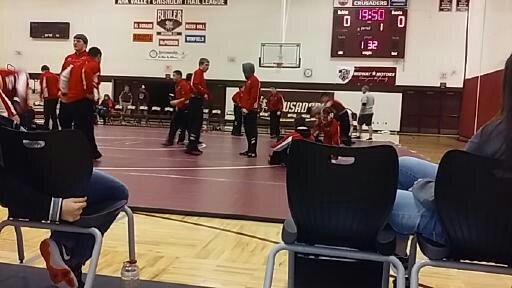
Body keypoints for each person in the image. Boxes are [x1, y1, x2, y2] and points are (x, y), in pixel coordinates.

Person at [390, 53, 512, 254]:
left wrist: (422, 189)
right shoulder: (497, 135)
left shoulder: (495, 134)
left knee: (381, 198)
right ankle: (399, 255)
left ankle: (393, 258)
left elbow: (456, 190)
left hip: (466, 229)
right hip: (486, 214)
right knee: (404, 166)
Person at [59, 39, 103, 160]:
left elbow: (86, 74)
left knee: (84, 126)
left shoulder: (87, 59)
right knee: (69, 125)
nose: (75, 43)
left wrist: (89, 93)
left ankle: (88, 151)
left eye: (78, 41)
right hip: (74, 98)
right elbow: (64, 75)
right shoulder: (69, 58)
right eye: (74, 41)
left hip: (77, 98)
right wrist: (62, 91)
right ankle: (70, 150)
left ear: (85, 44)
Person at [186, 58, 211, 155]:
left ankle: (193, 145)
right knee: (195, 124)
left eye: (208, 65)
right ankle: (191, 146)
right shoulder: (198, 73)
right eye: (206, 65)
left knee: (197, 124)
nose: (207, 67)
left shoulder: (200, 74)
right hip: (196, 101)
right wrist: (204, 93)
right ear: (201, 65)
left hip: (197, 100)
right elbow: (195, 85)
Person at [164, 70, 191, 146]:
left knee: (176, 124)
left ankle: (171, 141)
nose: (173, 77)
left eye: (174, 75)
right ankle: (177, 140)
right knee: (181, 125)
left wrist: (176, 102)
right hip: (180, 108)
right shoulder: (177, 85)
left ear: (179, 76)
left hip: (185, 108)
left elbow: (187, 97)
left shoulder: (183, 84)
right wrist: (177, 105)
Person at [239, 62, 260, 158]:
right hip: (246, 109)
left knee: (252, 130)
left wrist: (247, 108)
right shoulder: (248, 81)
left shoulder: (254, 81)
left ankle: (253, 150)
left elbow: (253, 97)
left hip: (251, 110)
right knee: (247, 130)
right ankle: (249, 149)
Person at [39, 65, 60, 130]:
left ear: (42, 70)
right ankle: (55, 127)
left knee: (46, 114)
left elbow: (44, 86)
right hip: (56, 97)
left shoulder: (43, 75)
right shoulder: (55, 76)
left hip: (48, 97)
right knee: (53, 112)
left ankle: (46, 127)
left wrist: (41, 95)